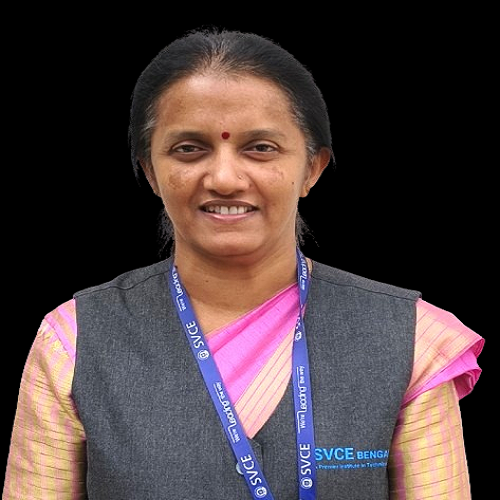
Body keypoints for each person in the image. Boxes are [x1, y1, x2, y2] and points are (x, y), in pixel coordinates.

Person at [3, 29, 483, 500]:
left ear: (312, 168)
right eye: (189, 149)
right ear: (150, 171)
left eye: (260, 148)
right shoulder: (75, 341)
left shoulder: (408, 339)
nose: (225, 178)